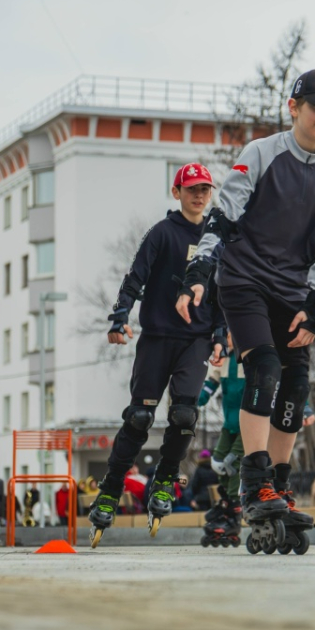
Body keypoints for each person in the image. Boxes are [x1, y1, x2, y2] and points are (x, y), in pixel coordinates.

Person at [177, 69, 315, 554]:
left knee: (297, 383)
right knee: (266, 369)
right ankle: (253, 482)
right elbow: (223, 215)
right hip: (244, 280)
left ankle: (277, 483)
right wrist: (198, 272)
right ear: (294, 108)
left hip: (292, 289)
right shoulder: (260, 154)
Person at [86, 163, 227, 547]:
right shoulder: (162, 233)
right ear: (176, 192)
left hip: (194, 340)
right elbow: (135, 277)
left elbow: (220, 291)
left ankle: (165, 478)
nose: (199, 196)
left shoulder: (218, 237)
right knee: (139, 417)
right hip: (157, 336)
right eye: (191, 189)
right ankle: (112, 487)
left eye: (205, 190)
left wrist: (220, 333)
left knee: (184, 414)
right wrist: (119, 316)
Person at [198, 334, 246, 547]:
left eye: (228, 334)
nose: (224, 339)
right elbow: (210, 383)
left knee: (233, 463)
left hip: (249, 422)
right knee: (218, 463)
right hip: (229, 423)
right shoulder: (223, 359)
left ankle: (235, 508)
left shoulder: (249, 355)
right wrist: (193, 400)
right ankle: (226, 501)